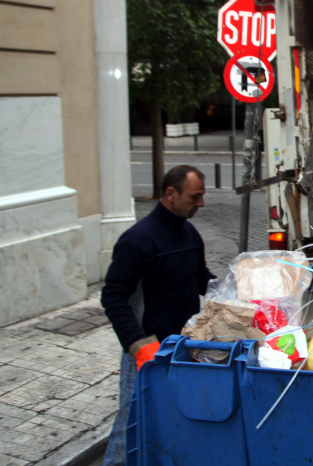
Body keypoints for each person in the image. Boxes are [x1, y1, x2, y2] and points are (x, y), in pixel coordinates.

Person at [100, 165, 215, 466]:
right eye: (195, 196)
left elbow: (200, 278)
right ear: (170, 194)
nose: (200, 204)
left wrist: (237, 289)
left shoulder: (189, 233)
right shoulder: (138, 240)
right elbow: (113, 295)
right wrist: (138, 343)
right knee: (132, 426)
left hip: (184, 347)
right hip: (149, 353)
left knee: (174, 420)